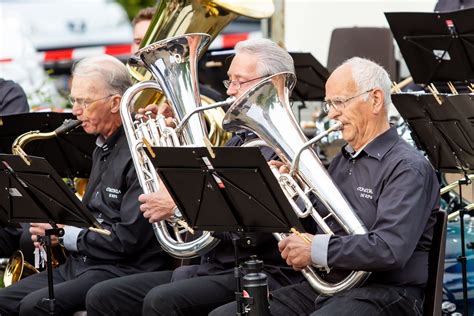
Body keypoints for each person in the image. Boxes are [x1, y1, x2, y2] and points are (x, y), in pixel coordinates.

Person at [85, 38, 306, 316]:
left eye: (239, 81)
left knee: (161, 301)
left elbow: (255, 225)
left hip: (258, 268)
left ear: (273, 83)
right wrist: (164, 146)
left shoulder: (282, 146)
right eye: (229, 82)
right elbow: (209, 191)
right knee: (104, 296)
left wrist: (179, 206)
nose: (231, 91)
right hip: (215, 266)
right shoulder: (238, 139)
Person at [212, 57, 439, 315]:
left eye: (339, 102)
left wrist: (316, 249)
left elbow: (389, 249)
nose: (331, 113)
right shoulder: (342, 160)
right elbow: (314, 226)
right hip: (334, 287)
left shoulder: (407, 167)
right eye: (329, 103)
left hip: (388, 293)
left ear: (375, 100)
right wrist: (287, 194)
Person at [0, 54, 171, 315]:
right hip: (85, 263)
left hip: (120, 267)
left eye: (85, 102)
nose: (76, 111)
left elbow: (127, 239)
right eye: (74, 101)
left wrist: (63, 235)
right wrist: (56, 223)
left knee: (33, 307)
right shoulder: (101, 146)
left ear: (115, 103)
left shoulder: (139, 150)